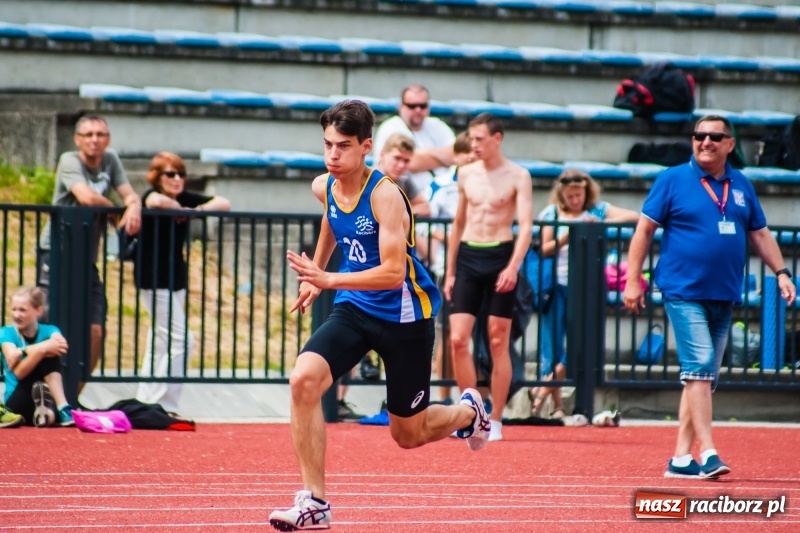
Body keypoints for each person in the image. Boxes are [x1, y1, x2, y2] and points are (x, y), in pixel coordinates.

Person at [269, 100, 489, 531]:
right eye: (328, 145)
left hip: (405, 316)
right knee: (303, 379)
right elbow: (332, 221)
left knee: (407, 434)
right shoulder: (324, 186)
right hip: (355, 308)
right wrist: (317, 272)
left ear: (366, 146)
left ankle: (468, 412)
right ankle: (315, 503)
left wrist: (327, 278)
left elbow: (391, 274)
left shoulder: (387, 195)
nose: (333, 155)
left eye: (343, 146)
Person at [623, 115, 796, 480]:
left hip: (724, 292)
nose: (705, 142)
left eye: (714, 136)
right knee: (700, 365)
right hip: (683, 290)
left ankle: (681, 459)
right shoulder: (671, 179)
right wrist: (633, 279)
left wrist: (781, 272)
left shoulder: (741, 184)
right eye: (699, 135)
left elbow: (761, 234)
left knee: (700, 376)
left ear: (730, 144)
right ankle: (710, 452)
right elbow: (644, 231)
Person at [443, 113, 534, 443]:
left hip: (500, 256)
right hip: (468, 255)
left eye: (480, 138)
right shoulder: (465, 172)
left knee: (498, 340)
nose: (474, 144)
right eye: (471, 138)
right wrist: (450, 271)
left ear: (497, 139)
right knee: (457, 340)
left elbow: (525, 227)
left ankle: (495, 417)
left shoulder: (518, 175)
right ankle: (472, 412)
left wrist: (512, 267)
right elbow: (457, 223)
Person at [39, 114, 142, 394]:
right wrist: (113, 208)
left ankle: (71, 397)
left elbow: (130, 194)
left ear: (107, 139)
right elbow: (85, 197)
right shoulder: (69, 161)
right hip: (57, 252)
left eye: (100, 134)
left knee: (96, 329)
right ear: (77, 139)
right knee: (49, 324)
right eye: (88, 135)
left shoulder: (111, 160)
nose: (95, 140)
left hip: (87, 257)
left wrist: (132, 206)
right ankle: (34, 389)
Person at [531, 169, 639, 419]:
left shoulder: (598, 210)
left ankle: (540, 392)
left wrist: (599, 225)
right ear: (562, 194)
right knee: (552, 347)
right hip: (555, 285)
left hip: (587, 286)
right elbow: (544, 249)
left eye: (579, 195)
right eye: (570, 196)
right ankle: (555, 406)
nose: (575, 200)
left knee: (580, 346)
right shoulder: (551, 213)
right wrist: (569, 236)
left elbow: (633, 216)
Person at [134, 152, 231, 414]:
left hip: (176, 278)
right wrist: (179, 210)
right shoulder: (151, 196)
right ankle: (162, 402)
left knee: (160, 339)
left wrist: (194, 210)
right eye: (170, 174)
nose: (177, 179)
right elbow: (154, 200)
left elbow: (223, 202)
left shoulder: (184, 199)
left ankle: (146, 398)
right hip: (152, 278)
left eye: (181, 174)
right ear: (157, 177)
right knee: (182, 339)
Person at [427, 132, 475, 404]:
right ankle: (445, 396)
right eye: (465, 151)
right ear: (456, 156)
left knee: (478, 337)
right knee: (448, 333)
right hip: (449, 267)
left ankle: (476, 398)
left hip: (483, 265)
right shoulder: (440, 184)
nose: (471, 156)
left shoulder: (491, 183)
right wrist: (456, 238)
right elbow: (424, 225)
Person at [0, 286, 75, 427]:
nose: (16, 315)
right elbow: (18, 373)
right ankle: (57, 409)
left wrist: (24, 351)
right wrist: (42, 349)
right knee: (45, 352)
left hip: (48, 394)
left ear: (38, 311)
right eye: (14, 309)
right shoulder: (6, 333)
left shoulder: (49, 330)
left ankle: (51, 412)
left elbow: (62, 345)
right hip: (18, 399)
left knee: (49, 355)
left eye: (22, 310)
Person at [373, 84, 455, 192]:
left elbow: (459, 153)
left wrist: (424, 153)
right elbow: (412, 162)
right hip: (408, 194)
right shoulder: (391, 126)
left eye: (423, 106)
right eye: (412, 106)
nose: (418, 110)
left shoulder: (436, 124)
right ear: (401, 107)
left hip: (447, 191)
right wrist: (445, 158)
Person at [376, 132, 431, 216]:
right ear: (382, 155)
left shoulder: (404, 180)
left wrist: (403, 214)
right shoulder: (368, 178)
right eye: (397, 158)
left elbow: (425, 207)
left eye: (406, 161)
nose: (401, 165)